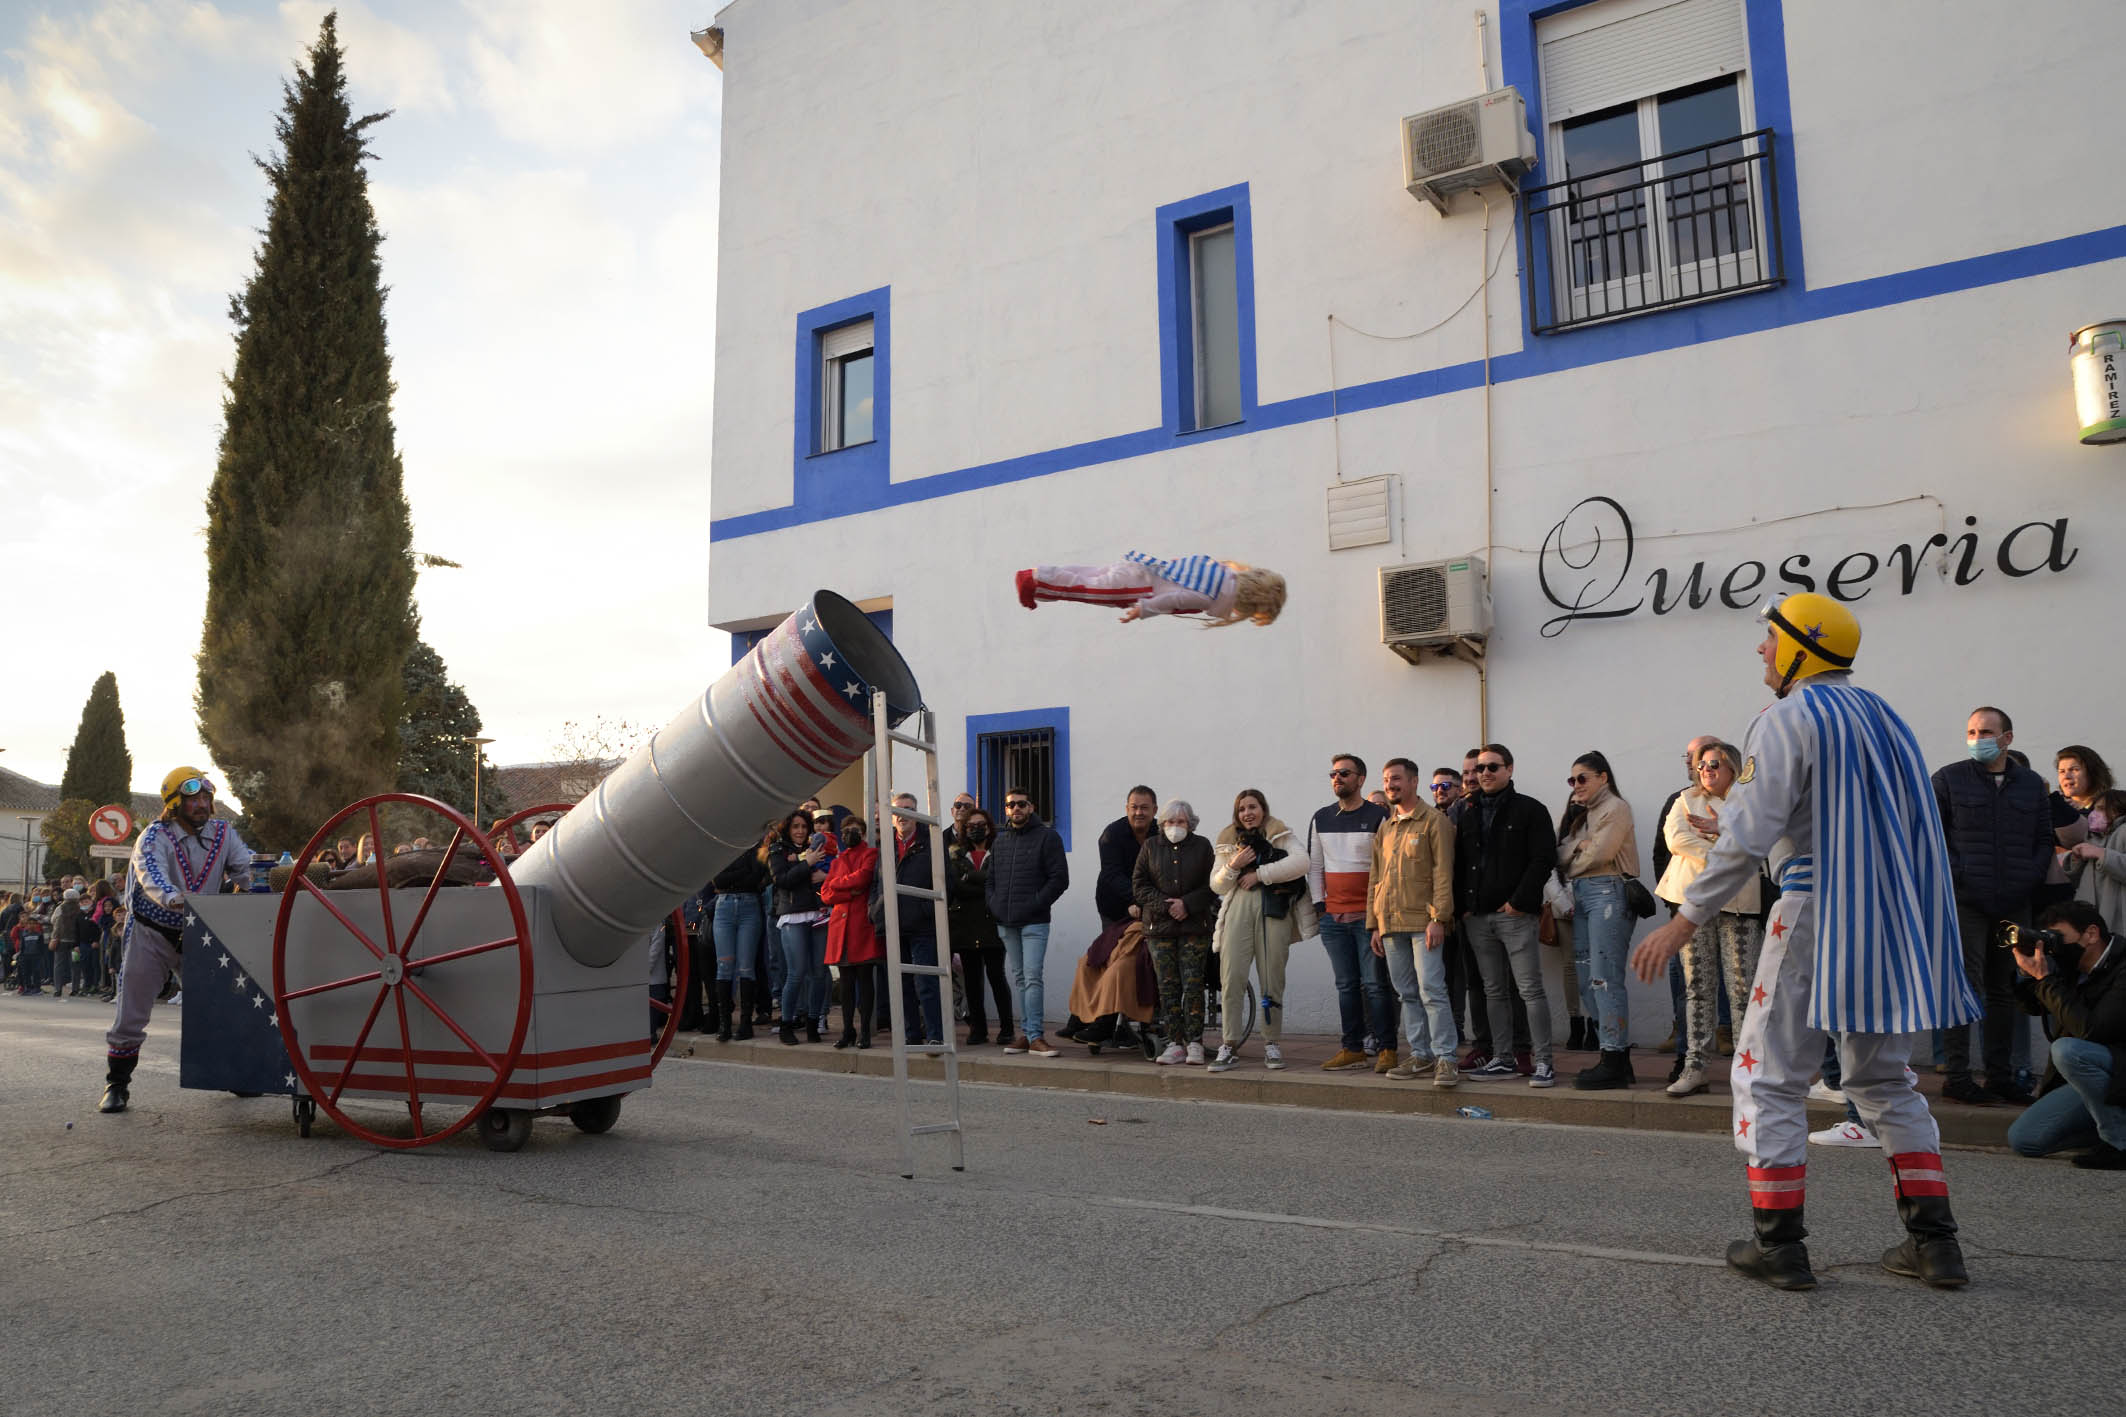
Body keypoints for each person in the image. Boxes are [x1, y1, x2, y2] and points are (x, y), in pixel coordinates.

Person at [1632, 593, 1980, 1291]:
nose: (1762, 650)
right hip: (1890, 914)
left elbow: (1748, 833)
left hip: (1818, 906)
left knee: (1767, 1075)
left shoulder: (1786, 717)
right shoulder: (1889, 717)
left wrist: (1684, 916)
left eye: (1770, 639)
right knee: (1884, 1079)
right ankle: (1936, 1244)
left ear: (1799, 648)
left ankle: (1780, 1247)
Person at [101, 768, 257, 1113]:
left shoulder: (223, 832)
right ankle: (117, 1085)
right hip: (152, 931)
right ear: (175, 804)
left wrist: (263, 883)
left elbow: (245, 868)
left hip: (199, 933)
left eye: (206, 798)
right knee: (132, 1011)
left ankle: (233, 1073)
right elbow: (151, 875)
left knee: (221, 1005)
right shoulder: (154, 836)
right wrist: (175, 898)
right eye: (194, 800)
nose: (202, 805)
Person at [1931, 706, 2052, 1106]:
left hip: (2013, 902)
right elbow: (1933, 836)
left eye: (1986, 731)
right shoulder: (1949, 779)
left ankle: (1999, 1077)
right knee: (1964, 986)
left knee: (2003, 990)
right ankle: (1958, 1075)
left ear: (2007, 738)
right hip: (1966, 901)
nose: (1977, 737)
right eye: (1971, 730)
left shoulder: (2032, 785)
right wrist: (1959, 875)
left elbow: (2042, 838)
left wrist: (2029, 876)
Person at [1656, 741, 1766, 1097]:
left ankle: (1748, 1072)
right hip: (1696, 904)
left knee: (1742, 989)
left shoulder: (1750, 802)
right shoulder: (1684, 800)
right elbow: (1677, 839)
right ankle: (1695, 1067)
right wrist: (1725, 849)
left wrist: (1723, 835)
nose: (1706, 771)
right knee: (1697, 988)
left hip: (1739, 904)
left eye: (1714, 764)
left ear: (1733, 766)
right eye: (1700, 765)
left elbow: (1759, 843)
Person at [1455, 744, 1558, 1085]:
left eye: (1492, 767)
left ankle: (1543, 1061)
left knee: (1529, 990)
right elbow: (1459, 865)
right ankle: (1502, 1058)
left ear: (1509, 769)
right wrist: (1464, 908)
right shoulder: (1466, 813)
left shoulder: (1530, 810)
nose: (1484, 773)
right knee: (1493, 991)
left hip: (1515, 916)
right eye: (1480, 768)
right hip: (1478, 918)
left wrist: (1518, 902)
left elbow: (1543, 859)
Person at [2002, 899, 2126, 1168]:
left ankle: (2119, 1143)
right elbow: (2034, 1008)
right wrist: (2028, 976)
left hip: (2120, 1071)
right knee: (2025, 1139)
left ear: (2091, 934)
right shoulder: (2072, 969)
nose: (2055, 946)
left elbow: (2093, 1030)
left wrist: (2047, 981)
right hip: (2100, 1077)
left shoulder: (2122, 966)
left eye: (2059, 938)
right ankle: (2109, 1126)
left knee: (2067, 1050)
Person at [1368, 760, 1462, 1089]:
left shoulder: (1434, 821)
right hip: (1390, 924)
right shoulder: (1387, 826)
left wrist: (1439, 918)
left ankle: (1446, 1059)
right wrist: (1375, 924)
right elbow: (1375, 878)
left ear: (1413, 782)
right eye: (1386, 780)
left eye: (1396, 779)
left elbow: (1443, 874)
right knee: (1407, 994)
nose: (1390, 784)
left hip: (1425, 924)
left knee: (1432, 991)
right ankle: (1420, 1055)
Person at [1207, 789, 1310, 1072]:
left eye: (1252, 807)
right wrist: (1234, 865)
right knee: (1231, 978)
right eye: (1242, 809)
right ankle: (1229, 1043)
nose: (1247, 813)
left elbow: (1302, 862)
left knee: (1271, 979)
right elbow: (1217, 885)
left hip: (1273, 910)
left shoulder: (1280, 833)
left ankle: (1271, 1043)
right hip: (1238, 909)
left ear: (1263, 809)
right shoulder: (1228, 838)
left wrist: (1259, 874)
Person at [1307, 754, 1395, 1072]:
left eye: (1344, 773)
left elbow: (1386, 870)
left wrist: (1379, 916)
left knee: (1375, 985)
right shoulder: (1321, 817)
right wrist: (1321, 908)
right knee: (1346, 985)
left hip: (1368, 918)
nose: (1337, 778)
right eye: (1333, 773)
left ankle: (1387, 1049)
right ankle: (1352, 1049)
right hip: (1334, 918)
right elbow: (1315, 866)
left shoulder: (1378, 816)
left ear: (1360, 779)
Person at [1557, 751, 1640, 1090]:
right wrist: (1579, 847)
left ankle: (1615, 1058)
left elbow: (1602, 854)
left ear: (1603, 778)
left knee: (1605, 977)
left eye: (1583, 778)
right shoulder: (1582, 817)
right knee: (1587, 976)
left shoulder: (1616, 808)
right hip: (1585, 894)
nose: (1576, 785)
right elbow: (1558, 854)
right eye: (1572, 780)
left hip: (1609, 891)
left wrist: (1575, 856)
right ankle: (1613, 1055)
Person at [1067, 785, 1158, 1051]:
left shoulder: (1161, 835)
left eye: (1144, 807)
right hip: (1116, 907)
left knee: (1125, 962)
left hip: (1148, 910)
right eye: (1134, 807)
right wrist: (1134, 901)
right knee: (1099, 958)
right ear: (1126, 809)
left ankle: (1110, 1022)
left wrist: (1145, 903)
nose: (1139, 812)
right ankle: (1084, 1017)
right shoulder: (1113, 834)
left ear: (1154, 810)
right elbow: (1112, 874)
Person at [1135, 799, 1219, 1065]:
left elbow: (1213, 884)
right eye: (1170, 822)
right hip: (1159, 929)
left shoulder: (1203, 846)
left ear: (1190, 824)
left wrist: (1188, 905)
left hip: (1194, 927)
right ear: (1162, 824)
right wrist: (1165, 906)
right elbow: (1139, 884)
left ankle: (1195, 1041)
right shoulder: (1150, 847)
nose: (1175, 826)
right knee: (1167, 986)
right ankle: (1174, 1042)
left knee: (1193, 984)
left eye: (1180, 822)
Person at [986, 789, 1069, 1058]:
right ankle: (1027, 1034)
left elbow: (1059, 878)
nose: (1016, 808)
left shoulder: (1048, 837)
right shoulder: (1000, 841)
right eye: (1010, 805)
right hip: (1007, 922)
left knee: (1032, 977)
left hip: (1034, 922)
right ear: (1006, 810)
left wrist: (1035, 903)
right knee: (1020, 978)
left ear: (1031, 807)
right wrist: (994, 905)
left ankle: (1035, 1036)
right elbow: (991, 880)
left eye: (1021, 804)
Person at [1016, 553, 1287, 626]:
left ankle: (1038, 577)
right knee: (1086, 590)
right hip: (1137, 589)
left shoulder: (1220, 570)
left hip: (1140, 569)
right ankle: (1034, 582)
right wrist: (1142, 610)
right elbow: (1173, 599)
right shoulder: (1209, 596)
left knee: (1089, 574)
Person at [946, 807, 1013, 1046]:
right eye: (971, 825)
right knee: (972, 982)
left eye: (980, 824)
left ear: (989, 826)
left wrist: (971, 878)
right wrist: (983, 883)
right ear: (965, 829)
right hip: (964, 925)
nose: (976, 828)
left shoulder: (1000, 851)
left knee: (997, 976)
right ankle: (978, 1029)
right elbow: (956, 887)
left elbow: (1001, 882)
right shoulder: (954, 854)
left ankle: (1007, 1029)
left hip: (992, 923)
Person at [819, 816, 883, 1048]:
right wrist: (848, 891)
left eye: (854, 830)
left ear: (863, 833)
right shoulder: (838, 860)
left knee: (865, 980)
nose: (849, 834)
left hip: (860, 926)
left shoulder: (870, 854)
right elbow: (826, 894)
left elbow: (864, 878)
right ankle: (847, 1031)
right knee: (845, 984)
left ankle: (864, 1031)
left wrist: (837, 884)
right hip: (840, 928)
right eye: (845, 831)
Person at [768, 809, 831, 1045]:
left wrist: (825, 875)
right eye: (796, 826)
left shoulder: (815, 848)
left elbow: (833, 868)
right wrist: (806, 863)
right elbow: (781, 880)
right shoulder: (778, 850)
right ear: (788, 828)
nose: (800, 831)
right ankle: (786, 1024)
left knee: (818, 973)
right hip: (792, 915)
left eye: (804, 827)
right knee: (796, 973)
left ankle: (814, 1024)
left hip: (817, 913)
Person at [712, 823, 778, 1041]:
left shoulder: (758, 846)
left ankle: (745, 1023)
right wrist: (744, 872)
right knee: (724, 966)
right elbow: (717, 879)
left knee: (746, 967)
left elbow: (756, 875)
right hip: (725, 906)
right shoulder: (723, 845)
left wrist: (733, 874)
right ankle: (725, 1024)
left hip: (749, 905)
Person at [889, 792, 945, 1047]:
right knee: (902, 986)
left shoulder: (931, 842)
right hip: (893, 925)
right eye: (899, 811)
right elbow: (877, 884)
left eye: (909, 810)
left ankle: (935, 1035)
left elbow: (947, 883)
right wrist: (876, 909)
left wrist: (926, 910)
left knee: (927, 984)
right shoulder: (886, 846)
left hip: (923, 926)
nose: (903, 816)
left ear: (917, 813)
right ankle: (911, 1036)